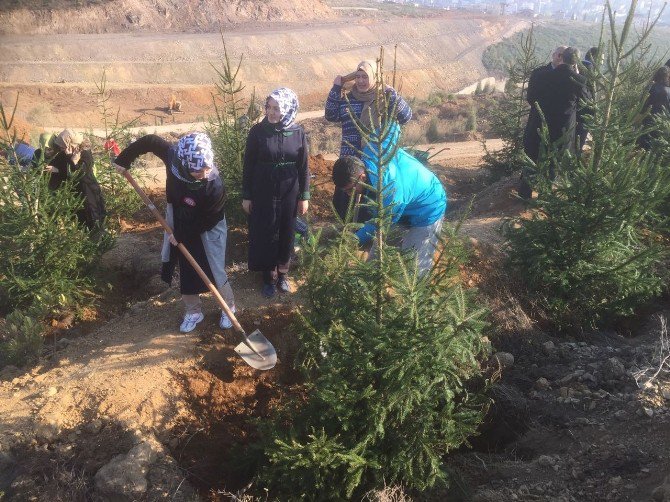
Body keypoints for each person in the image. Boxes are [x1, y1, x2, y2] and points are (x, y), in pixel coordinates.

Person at [113, 132, 237, 333]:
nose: (204, 174)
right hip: (179, 217)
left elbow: (209, 218)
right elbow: (150, 141)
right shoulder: (173, 156)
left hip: (208, 226)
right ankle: (194, 312)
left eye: (207, 168)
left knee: (214, 267)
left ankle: (228, 307)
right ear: (186, 163)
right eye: (198, 171)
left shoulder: (214, 185)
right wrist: (124, 159)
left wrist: (181, 235)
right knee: (186, 266)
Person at [332, 127, 447, 276]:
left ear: (362, 177)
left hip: (428, 207)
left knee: (412, 269)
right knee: (375, 258)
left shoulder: (390, 192)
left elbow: (381, 223)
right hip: (404, 205)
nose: (349, 194)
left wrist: (355, 239)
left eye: (350, 189)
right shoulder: (374, 149)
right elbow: (391, 128)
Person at [242, 88, 310, 298]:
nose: (271, 113)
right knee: (266, 230)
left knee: (287, 231)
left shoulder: (297, 132)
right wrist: (247, 195)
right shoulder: (257, 132)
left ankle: (282, 275)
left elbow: (304, 166)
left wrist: (304, 196)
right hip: (263, 189)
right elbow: (248, 166)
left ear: (287, 109)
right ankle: (268, 277)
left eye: (277, 108)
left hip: (290, 189)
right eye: (269, 107)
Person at [325, 60, 412, 220]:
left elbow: (406, 117)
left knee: (368, 212)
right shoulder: (348, 99)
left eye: (365, 77)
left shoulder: (383, 98)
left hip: (373, 165)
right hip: (349, 163)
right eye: (357, 77)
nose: (360, 81)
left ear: (374, 78)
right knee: (343, 208)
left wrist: (392, 94)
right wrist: (337, 86)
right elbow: (330, 115)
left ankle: (366, 241)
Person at [32, 130, 106, 231]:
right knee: (80, 221)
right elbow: (66, 173)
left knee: (93, 218)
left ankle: (98, 240)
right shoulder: (66, 152)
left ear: (70, 143)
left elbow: (79, 174)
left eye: (63, 146)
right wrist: (57, 169)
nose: (61, 149)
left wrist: (72, 161)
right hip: (74, 194)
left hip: (88, 191)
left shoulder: (85, 154)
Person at [520, 45, 567, 198]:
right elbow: (530, 97)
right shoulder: (539, 73)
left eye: (564, 55)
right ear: (553, 55)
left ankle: (544, 197)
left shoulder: (570, 77)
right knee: (531, 158)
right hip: (537, 123)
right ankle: (524, 195)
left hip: (557, 128)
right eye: (559, 54)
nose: (560, 58)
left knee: (552, 163)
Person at [638, 66, 670, 150]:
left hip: (649, 118)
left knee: (644, 142)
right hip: (663, 121)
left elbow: (643, 103)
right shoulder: (668, 89)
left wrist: (638, 117)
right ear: (667, 76)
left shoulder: (651, 86)